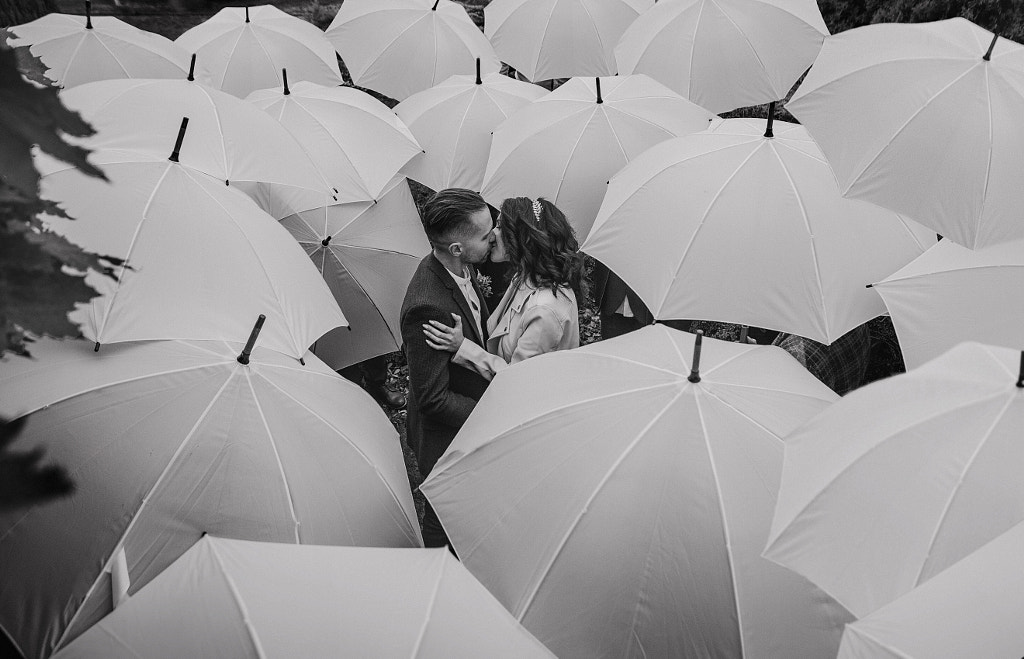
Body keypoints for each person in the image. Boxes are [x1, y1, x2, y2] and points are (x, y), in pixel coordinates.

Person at [399, 188, 495, 548]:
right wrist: (491, 415)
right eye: (486, 236)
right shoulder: (428, 306)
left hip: (465, 429)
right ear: (457, 249)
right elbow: (432, 399)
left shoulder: (459, 268)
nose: (494, 238)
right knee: (443, 527)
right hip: (446, 442)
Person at [422, 197, 581, 380]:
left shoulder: (544, 312)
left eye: (500, 228)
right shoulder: (525, 276)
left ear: (522, 240)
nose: (492, 235)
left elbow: (516, 378)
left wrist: (462, 348)